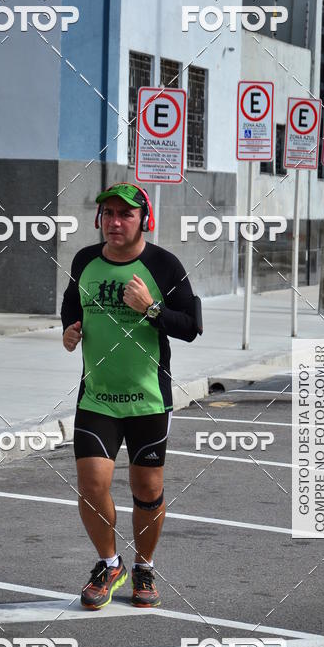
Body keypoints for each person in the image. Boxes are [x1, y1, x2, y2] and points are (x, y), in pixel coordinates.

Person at [61, 182, 202, 609]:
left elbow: (191, 326)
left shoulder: (163, 265)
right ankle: (109, 564)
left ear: (144, 219)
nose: (115, 223)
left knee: (147, 489)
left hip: (148, 400)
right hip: (98, 397)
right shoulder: (85, 260)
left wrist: (151, 308)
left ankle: (144, 567)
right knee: (92, 484)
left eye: (125, 215)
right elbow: (73, 304)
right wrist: (70, 330)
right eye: (108, 214)